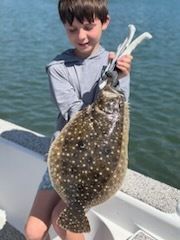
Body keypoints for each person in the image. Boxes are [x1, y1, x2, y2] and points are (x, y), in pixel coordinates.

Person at [24, 0, 133, 239]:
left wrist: (121, 76)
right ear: (64, 27)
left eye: (88, 27)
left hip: (95, 171)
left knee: (63, 220)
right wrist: (107, 84)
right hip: (62, 165)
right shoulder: (58, 68)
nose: (81, 36)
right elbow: (75, 112)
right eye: (72, 29)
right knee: (33, 231)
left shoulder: (114, 63)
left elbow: (119, 106)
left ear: (105, 22)